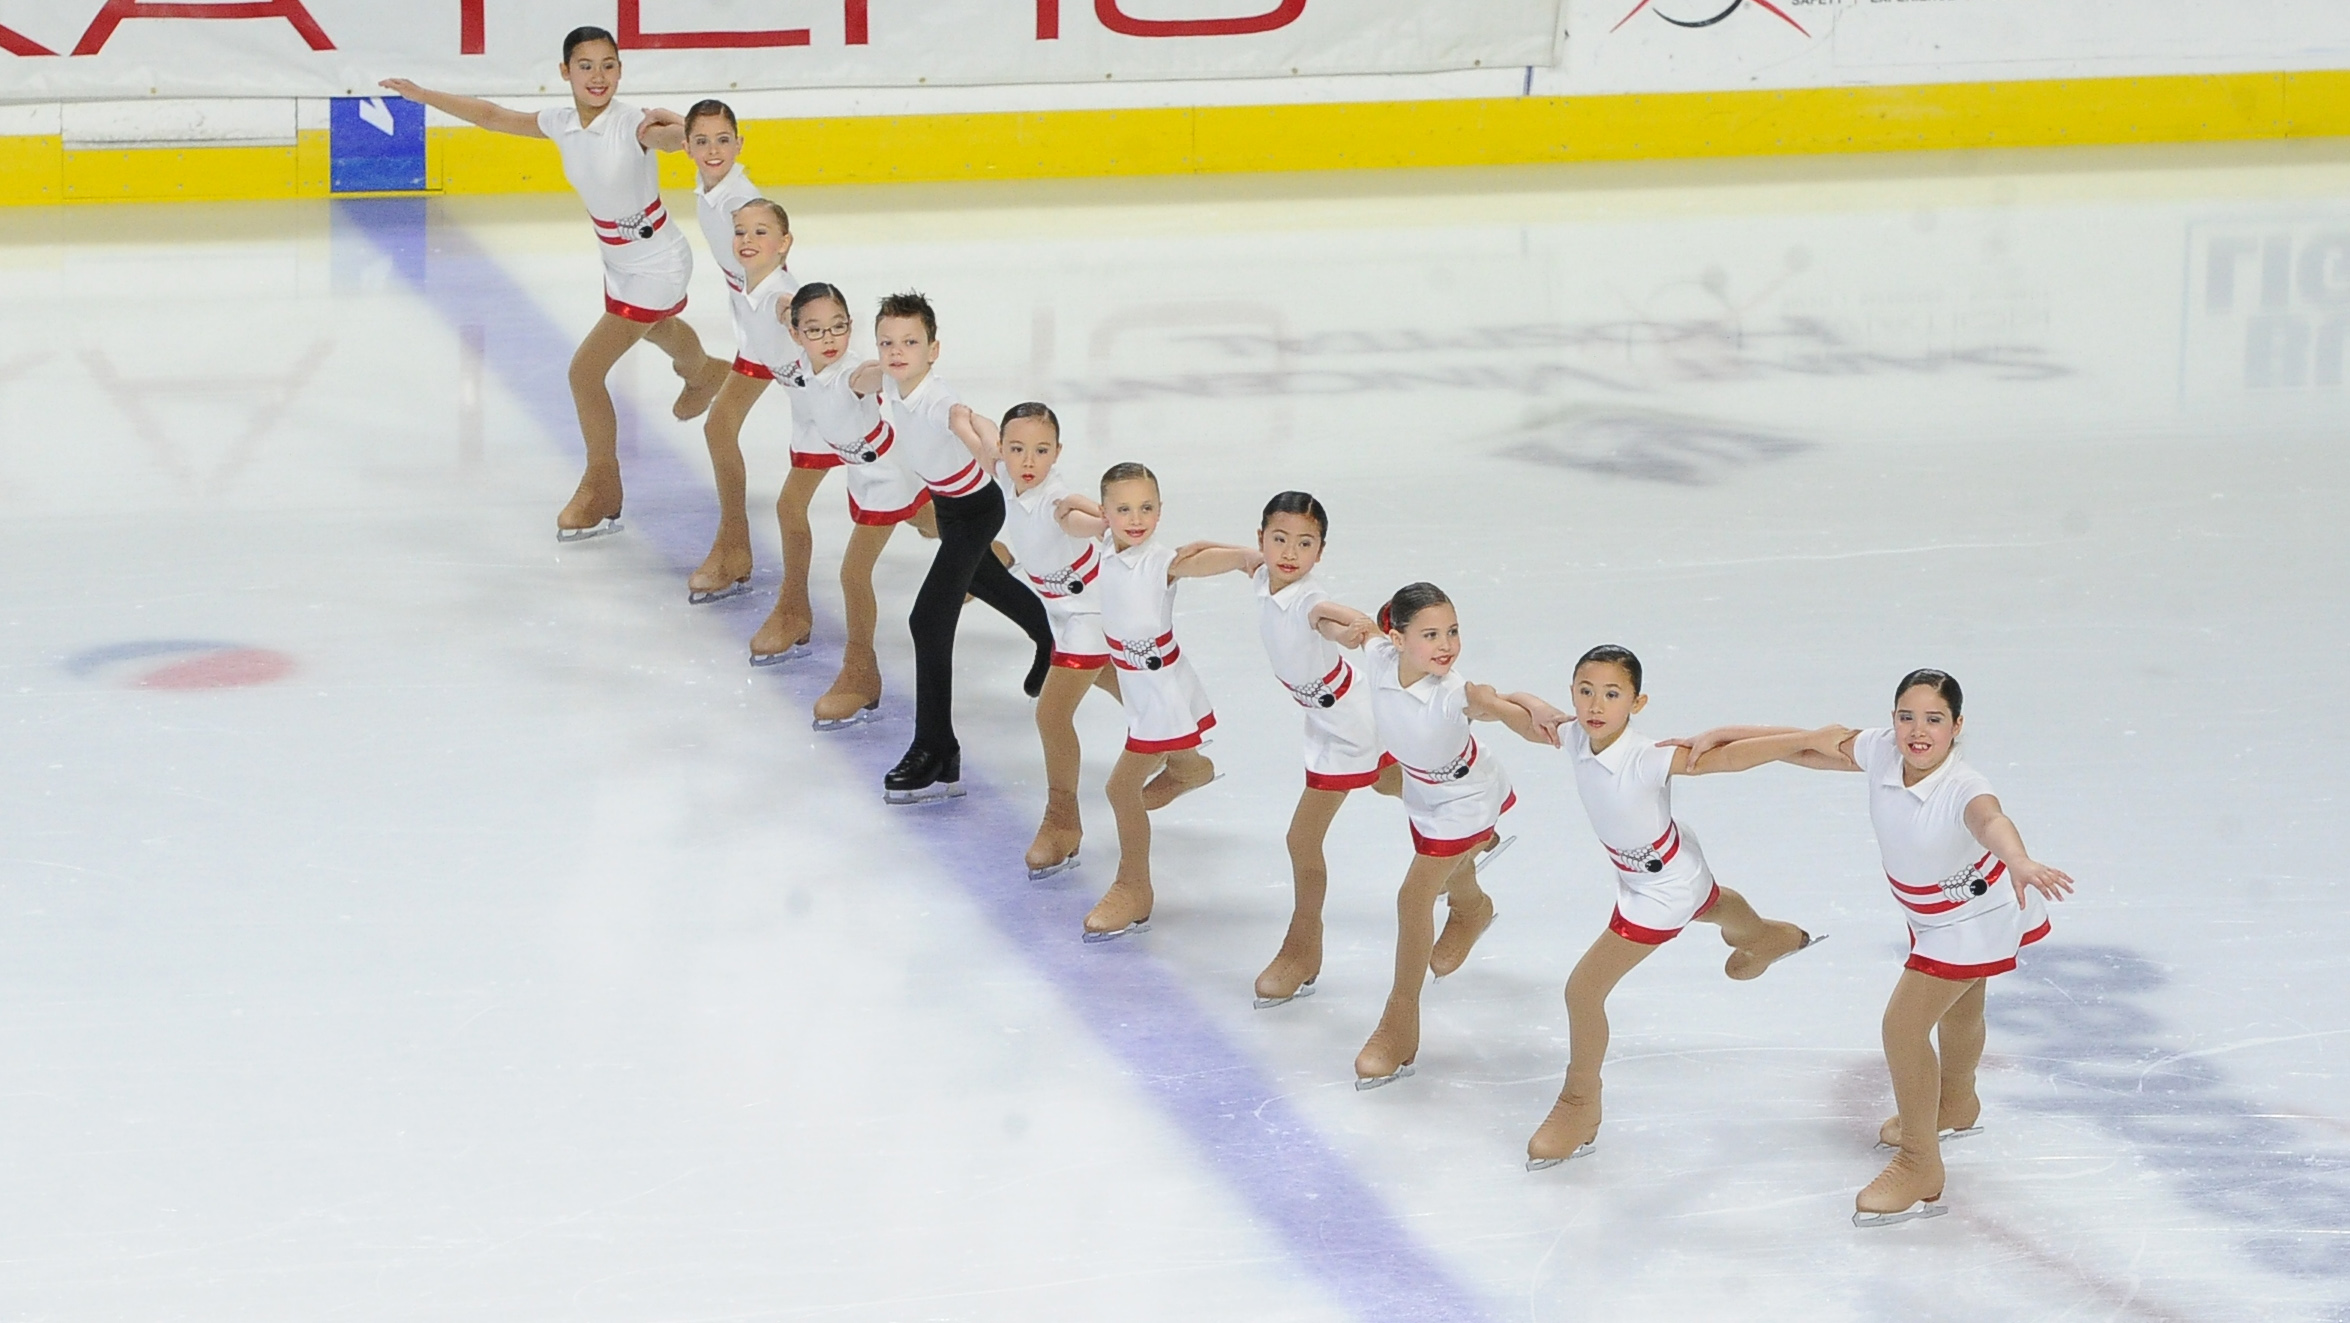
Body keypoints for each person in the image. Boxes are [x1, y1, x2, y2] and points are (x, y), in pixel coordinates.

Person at [1677, 669, 2073, 1226]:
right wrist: (1724, 734)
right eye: (1907, 717)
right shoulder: (1886, 751)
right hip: (1936, 913)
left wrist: (2020, 859)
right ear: (1892, 720)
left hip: (1973, 915)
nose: (1918, 730)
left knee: (1902, 1028)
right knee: (1962, 1008)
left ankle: (1919, 1165)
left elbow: (1990, 820)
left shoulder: (1964, 786)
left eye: (1934, 719)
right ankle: (1956, 1102)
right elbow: (1807, 745)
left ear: (1957, 726)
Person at [381, 27, 727, 541]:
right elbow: (493, 116)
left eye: (608, 65)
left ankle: (602, 487)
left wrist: (680, 125)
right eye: (585, 66)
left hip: (657, 261)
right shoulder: (561, 123)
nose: (598, 76)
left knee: (584, 372)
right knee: (656, 328)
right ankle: (703, 370)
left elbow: (679, 140)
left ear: (621, 70)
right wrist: (424, 95)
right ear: (565, 72)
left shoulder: (633, 124)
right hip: (619, 259)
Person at [1522, 645, 1828, 1170]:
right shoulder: (1574, 734)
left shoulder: (1646, 757)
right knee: (1712, 903)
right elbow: (1518, 712)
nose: (1596, 704)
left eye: (1612, 694)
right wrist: (1515, 703)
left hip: (1661, 892)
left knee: (1583, 989)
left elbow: (1727, 758)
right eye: (1585, 691)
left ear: (1637, 703)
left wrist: (1805, 740)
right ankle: (1764, 938)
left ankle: (1579, 1105)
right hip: (1665, 861)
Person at [1351, 583, 1560, 1089]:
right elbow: (1352, 625)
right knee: (1439, 856)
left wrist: (1539, 713)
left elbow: (1498, 709)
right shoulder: (1379, 657)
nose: (1446, 645)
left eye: (1452, 631)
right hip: (1422, 789)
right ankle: (1472, 908)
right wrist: (1316, 612)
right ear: (1397, 639)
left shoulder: (1451, 693)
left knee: (1414, 896)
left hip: (1465, 798)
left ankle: (1399, 1026)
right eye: (1430, 635)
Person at [857, 292, 1054, 803]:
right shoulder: (891, 379)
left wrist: (991, 450)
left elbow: (971, 422)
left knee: (927, 619)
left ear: (933, 350)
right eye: (887, 343)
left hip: (977, 510)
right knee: (986, 580)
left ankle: (936, 748)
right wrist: (850, 379)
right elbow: (866, 378)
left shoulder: (939, 400)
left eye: (910, 342)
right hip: (947, 507)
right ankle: (1049, 633)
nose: (896, 352)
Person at [1050, 463, 1254, 941]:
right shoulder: (1107, 541)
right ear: (1106, 513)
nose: (1136, 519)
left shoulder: (1158, 561)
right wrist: (1071, 507)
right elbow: (1069, 519)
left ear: (1160, 511)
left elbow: (1198, 561)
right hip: (1134, 678)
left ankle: (1134, 889)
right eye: (1123, 509)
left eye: (1146, 508)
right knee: (1138, 775)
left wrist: (1244, 556)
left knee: (1120, 790)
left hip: (1159, 687)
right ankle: (1189, 768)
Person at [1242, 492, 1402, 1008]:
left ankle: (1302, 950)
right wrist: (1181, 561)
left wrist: (1358, 629)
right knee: (1394, 783)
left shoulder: (1309, 600)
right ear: (1261, 539)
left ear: (1321, 551)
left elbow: (1332, 618)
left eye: (1305, 543)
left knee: (1301, 838)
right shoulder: (1263, 575)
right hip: (1329, 711)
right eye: (1280, 539)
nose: (1290, 552)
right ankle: (1472, 836)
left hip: (1348, 724)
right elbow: (1231, 558)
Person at [755, 282, 939, 724]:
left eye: (838, 327)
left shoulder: (853, 373)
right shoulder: (805, 358)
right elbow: (785, 312)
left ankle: (861, 674)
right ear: (796, 334)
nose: (829, 339)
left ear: (850, 327)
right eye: (815, 330)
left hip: (885, 474)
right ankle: (989, 555)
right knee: (931, 521)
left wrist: (899, 360)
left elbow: (874, 374)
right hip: (866, 470)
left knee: (853, 573)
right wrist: (783, 306)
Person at [950, 404, 1121, 877]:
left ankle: (1062, 822)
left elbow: (1077, 517)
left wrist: (1104, 523)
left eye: (1042, 451)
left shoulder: (1055, 499)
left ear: (1057, 453)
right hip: (1060, 610)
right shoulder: (1007, 474)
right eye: (1018, 449)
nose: (1029, 461)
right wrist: (961, 417)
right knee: (1119, 682)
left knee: (1051, 712)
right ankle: (1182, 751)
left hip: (1090, 609)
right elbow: (982, 441)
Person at [682, 99, 774, 603]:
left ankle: (735, 550)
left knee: (855, 449)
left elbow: (774, 260)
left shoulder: (742, 202)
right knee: (720, 428)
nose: (713, 150)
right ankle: (734, 549)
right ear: (687, 147)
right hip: (755, 326)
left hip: (776, 329)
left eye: (723, 140)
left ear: (740, 144)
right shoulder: (712, 188)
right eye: (702, 141)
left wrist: (786, 318)